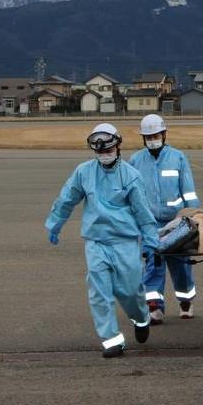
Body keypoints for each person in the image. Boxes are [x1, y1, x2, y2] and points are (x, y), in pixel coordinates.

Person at [45, 123, 157, 358]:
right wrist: (54, 224)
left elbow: (143, 212)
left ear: (118, 147)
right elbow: (67, 198)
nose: (104, 155)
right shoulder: (84, 172)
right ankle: (111, 339)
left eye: (108, 150)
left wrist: (150, 241)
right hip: (96, 242)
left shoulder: (131, 176)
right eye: (100, 152)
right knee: (99, 292)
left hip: (125, 242)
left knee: (129, 291)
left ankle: (141, 316)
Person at [128, 114, 200, 325]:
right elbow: (132, 194)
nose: (152, 139)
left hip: (177, 223)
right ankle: (155, 307)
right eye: (148, 136)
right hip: (149, 224)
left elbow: (189, 192)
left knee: (181, 266)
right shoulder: (135, 160)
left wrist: (193, 218)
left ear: (164, 134)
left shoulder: (178, 157)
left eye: (156, 135)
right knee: (153, 263)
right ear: (143, 138)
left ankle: (186, 301)